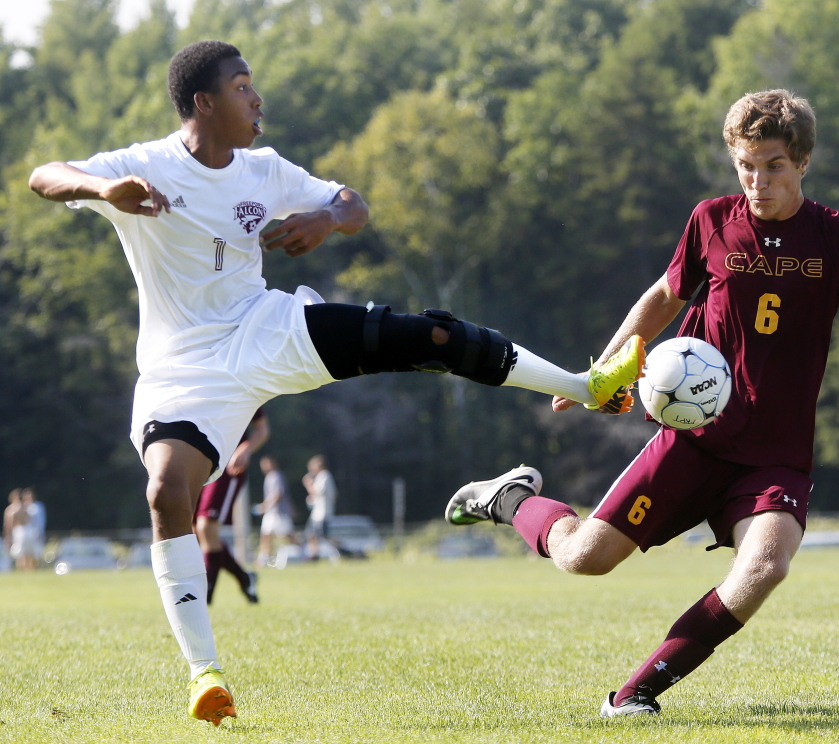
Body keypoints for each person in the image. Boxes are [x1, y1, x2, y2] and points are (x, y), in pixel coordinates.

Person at [27, 40, 643, 725]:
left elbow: (353, 202)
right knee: (166, 492)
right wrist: (98, 189)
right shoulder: (142, 166)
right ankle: (204, 674)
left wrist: (327, 217)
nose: (256, 99)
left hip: (267, 330)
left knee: (430, 337)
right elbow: (43, 174)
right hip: (184, 370)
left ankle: (589, 387)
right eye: (241, 87)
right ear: (203, 102)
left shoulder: (264, 168)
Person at [445, 89, 839, 717]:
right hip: (694, 442)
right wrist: (602, 373)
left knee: (765, 566)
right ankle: (509, 497)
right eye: (746, 166)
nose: (758, 181)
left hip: (776, 457)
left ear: (803, 163)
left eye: (774, 166)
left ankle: (635, 695)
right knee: (584, 558)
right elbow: (664, 295)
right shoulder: (712, 220)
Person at [194, 407, 269, 604]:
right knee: (197, 531)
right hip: (201, 463)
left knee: (206, 526)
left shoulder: (239, 382)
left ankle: (205, 598)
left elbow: (262, 430)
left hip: (228, 466)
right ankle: (244, 578)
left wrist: (245, 448)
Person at [254, 455, 294, 567]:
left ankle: (305, 551)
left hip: (279, 512)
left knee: (288, 535)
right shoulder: (269, 477)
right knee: (266, 535)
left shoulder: (276, 475)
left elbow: (278, 494)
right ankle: (263, 559)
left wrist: (265, 506)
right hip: (271, 512)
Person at [302, 454, 336, 560]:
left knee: (324, 537)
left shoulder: (324, 476)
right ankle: (314, 555)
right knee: (311, 535)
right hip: (317, 513)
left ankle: (344, 550)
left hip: (322, 513)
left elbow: (317, 492)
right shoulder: (321, 477)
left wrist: (308, 484)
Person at [20, 488, 45, 570]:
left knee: (35, 553)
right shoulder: (22, 507)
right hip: (25, 533)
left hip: (35, 532)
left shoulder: (38, 506)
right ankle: (26, 569)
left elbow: (41, 520)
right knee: (25, 552)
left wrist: (40, 531)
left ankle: (35, 568)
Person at [3, 489, 28, 569]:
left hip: (23, 533)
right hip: (16, 533)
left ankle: (25, 569)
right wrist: (8, 536)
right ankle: (20, 568)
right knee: (18, 553)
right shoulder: (10, 510)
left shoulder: (25, 509)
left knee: (24, 553)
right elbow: (8, 525)